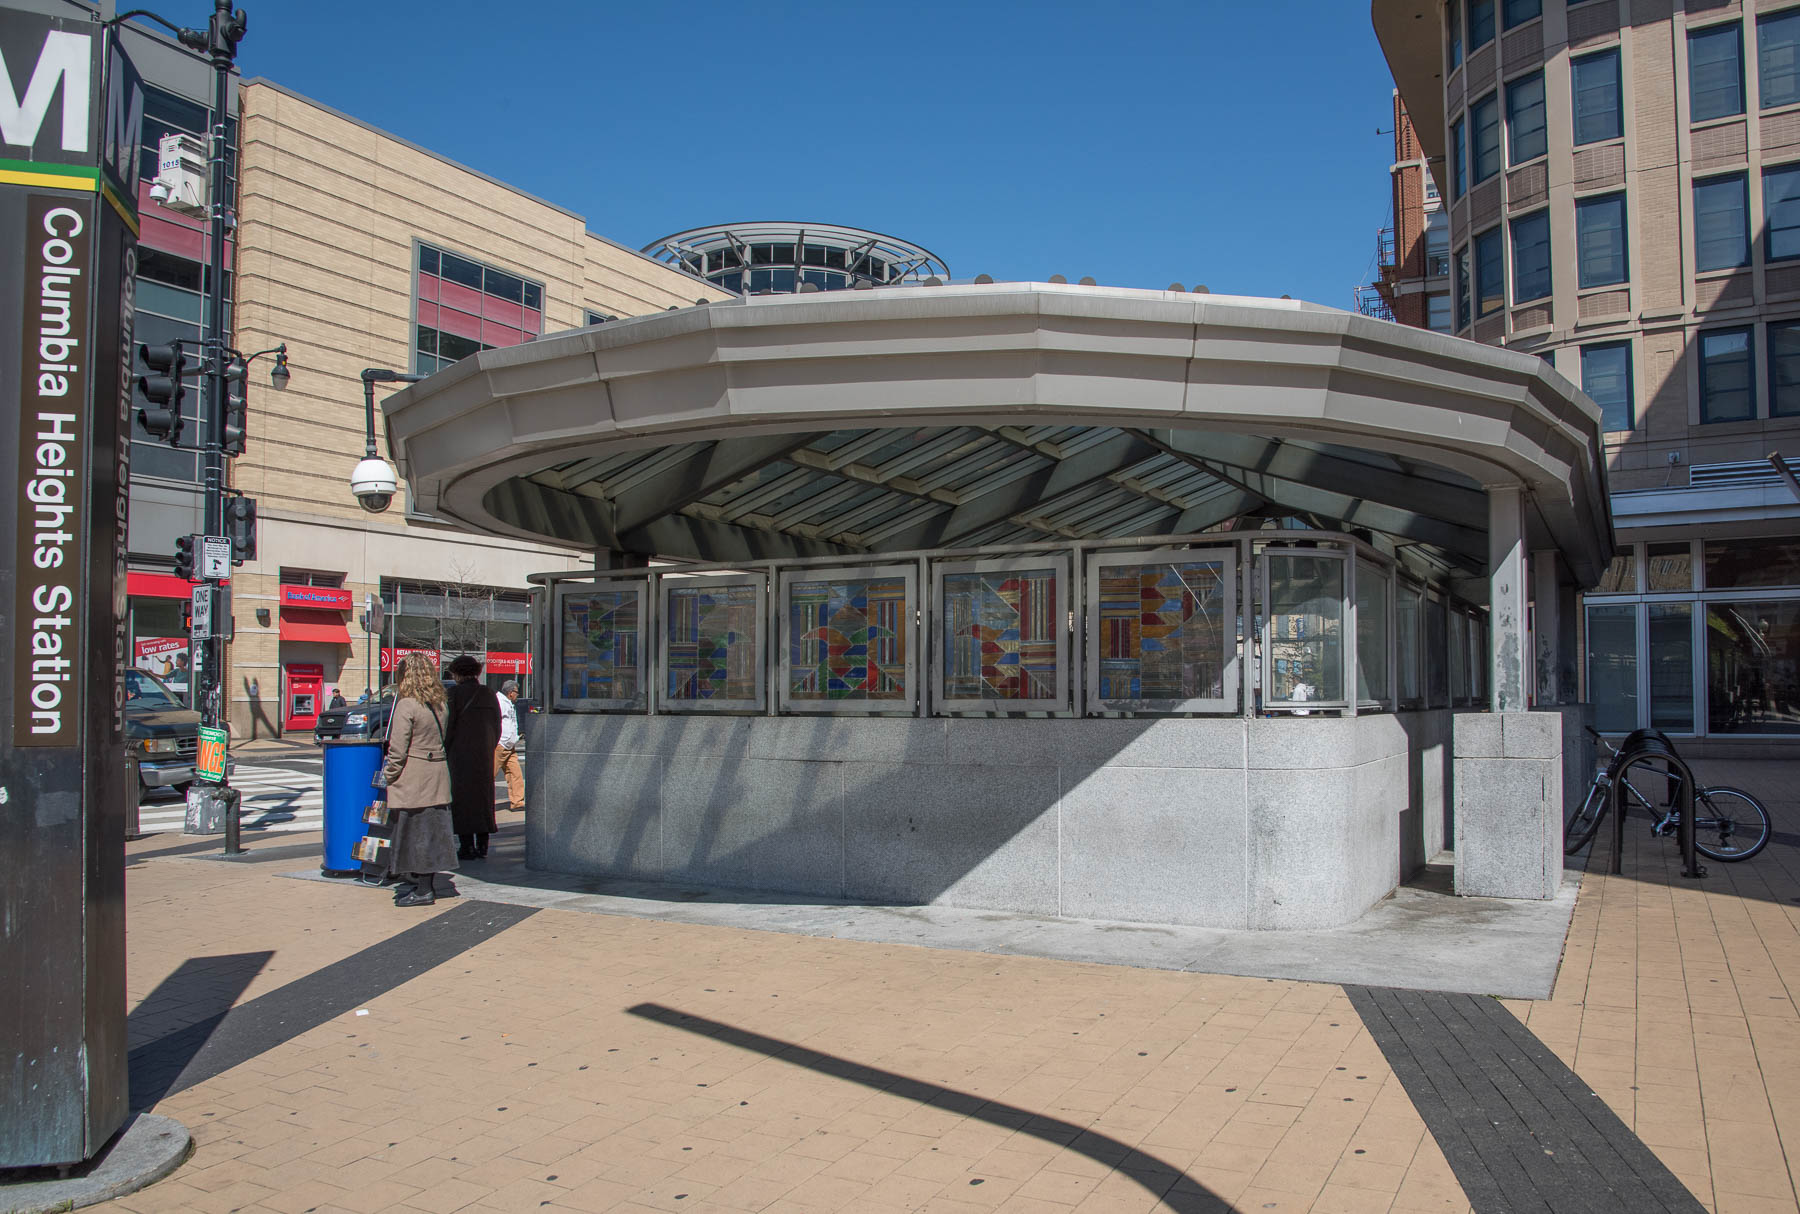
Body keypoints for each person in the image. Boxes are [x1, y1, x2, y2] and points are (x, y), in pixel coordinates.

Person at [379, 654, 458, 907]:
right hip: (437, 774)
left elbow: (397, 749)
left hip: (414, 777)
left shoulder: (407, 705)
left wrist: (388, 775)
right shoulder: (440, 704)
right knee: (432, 832)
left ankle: (423, 890)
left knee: (414, 833)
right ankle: (426, 884)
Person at [444, 655, 500, 859]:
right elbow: (497, 725)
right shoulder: (488, 693)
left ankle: (466, 845)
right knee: (484, 798)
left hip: (459, 756)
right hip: (483, 754)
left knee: (462, 801)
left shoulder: (453, 694)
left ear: (457, 673)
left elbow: (448, 727)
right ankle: (483, 843)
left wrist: (446, 748)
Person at [495, 679, 526, 811]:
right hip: (500, 744)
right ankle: (481, 803)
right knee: (489, 774)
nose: (517, 695)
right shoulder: (499, 702)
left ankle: (517, 802)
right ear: (510, 693)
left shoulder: (508, 703)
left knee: (515, 774)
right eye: (517, 692)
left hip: (510, 745)